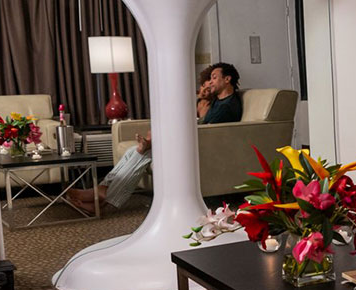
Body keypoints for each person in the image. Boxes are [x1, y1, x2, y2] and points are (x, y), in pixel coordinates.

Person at [66, 63, 243, 213]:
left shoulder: (228, 106)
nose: (210, 82)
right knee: (134, 151)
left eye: (214, 78)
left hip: (200, 148)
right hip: (193, 142)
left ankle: (103, 198)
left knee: (144, 153)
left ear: (227, 79)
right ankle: (102, 192)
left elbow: (206, 133)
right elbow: (200, 124)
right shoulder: (218, 101)